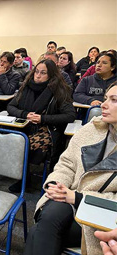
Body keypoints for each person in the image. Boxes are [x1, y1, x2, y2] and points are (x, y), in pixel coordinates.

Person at [23, 82, 117, 255]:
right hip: (67, 199)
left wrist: (78, 197)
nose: (103, 104)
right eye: (105, 99)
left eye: (114, 100)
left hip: (101, 215)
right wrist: (55, 185)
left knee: (39, 230)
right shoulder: (92, 129)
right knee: (50, 217)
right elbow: (66, 163)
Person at [5, 59, 75, 192]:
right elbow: (11, 106)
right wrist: (25, 114)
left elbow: (70, 115)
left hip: (47, 129)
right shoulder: (27, 86)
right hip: (25, 125)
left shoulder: (59, 90)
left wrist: (43, 118)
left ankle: (24, 179)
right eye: (36, 71)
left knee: (22, 144)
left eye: (43, 73)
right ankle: (0, 177)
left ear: (51, 75)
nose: (37, 75)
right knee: (3, 139)